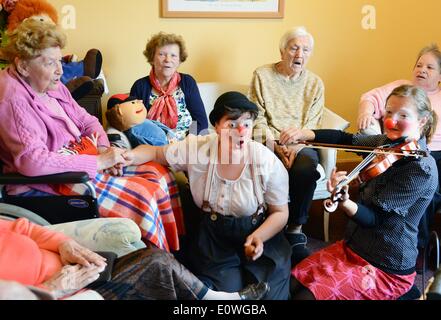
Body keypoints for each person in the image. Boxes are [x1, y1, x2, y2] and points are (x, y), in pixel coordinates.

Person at [0, 19, 182, 252]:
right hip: (51, 183)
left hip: (82, 158)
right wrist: (98, 162)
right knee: (142, 197)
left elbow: (88, 121)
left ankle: (174, 255)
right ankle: (151, 261)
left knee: (159, 175)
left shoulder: (51, 85)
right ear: (23, 66)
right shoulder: (13, 99)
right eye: (50, 63)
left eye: (60, 60)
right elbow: (31, 161)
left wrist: (105, 151)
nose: (60, 70)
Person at [121, 92, 292, 300]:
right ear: (217, 127)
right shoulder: (198, 149)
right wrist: (126, 157)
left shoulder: (266, 161)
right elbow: (155, 153)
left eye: (247, 124)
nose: (241, 131)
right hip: (214, 239)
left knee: (271, 294)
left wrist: (259, 236)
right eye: (232, 124)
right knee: (224, 297)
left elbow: (281, 212)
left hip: (259, 232)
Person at [279, 84, 438, 300]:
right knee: (289, 285)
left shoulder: (420, 169)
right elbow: (344, 139)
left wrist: (345, 200)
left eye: (403, 114)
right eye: (389, 112)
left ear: (422, 120)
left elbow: (376, 219)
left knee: (305, 297)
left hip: (385, 264)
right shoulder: (385, 144)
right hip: (353, 247)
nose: (391, 120)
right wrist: (306, 133)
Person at [0, 217, 269, 300]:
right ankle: (224, 301)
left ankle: (218, 300)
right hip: (63, 293)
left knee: (155, 261)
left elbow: (24, 227)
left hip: (73, 269)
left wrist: (64, 244)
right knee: (156, 266)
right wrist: (51, 290)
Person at [248, 26, 325, 263]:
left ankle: (294, 228)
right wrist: (274, 145)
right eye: (294, 48)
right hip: (267, 141)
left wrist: (296, 144)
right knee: (264, 165)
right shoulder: (262, 75)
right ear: (282, 51)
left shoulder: (315, 83)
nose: (299, 54)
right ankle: (266, 224)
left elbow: (313, 122)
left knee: (305, 168)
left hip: (300, 143)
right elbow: (255, 116)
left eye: (305, 50)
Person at [357, 44, 441, 253]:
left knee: (431, 193)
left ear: (439, 74)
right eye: (419, 65)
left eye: (430, 67)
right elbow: (370, 97)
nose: (422, 70)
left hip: (436, 154)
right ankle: (401, 242)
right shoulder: (403, 87)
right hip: (403, 151)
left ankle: (416, 246)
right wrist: (366, 113)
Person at [130, 32, 208, 141]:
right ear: (152, 58)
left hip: (186, 143)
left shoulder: (187, 82)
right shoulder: (140, 86)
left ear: (180, 60)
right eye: (162, 54)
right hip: (153, 144)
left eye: (173, 55)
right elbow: (133, 123)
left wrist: (190, 140)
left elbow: (200, 121)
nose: (168, 59)